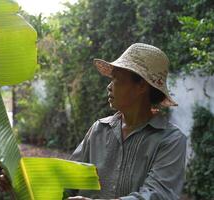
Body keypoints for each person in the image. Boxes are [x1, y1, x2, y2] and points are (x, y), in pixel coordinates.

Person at [67, 43, 187, 200]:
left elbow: (159, 194)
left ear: (141, 86)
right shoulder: (99, 129)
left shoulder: (170, 140)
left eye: (116, 79)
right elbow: (68, 180)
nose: (109, 87)